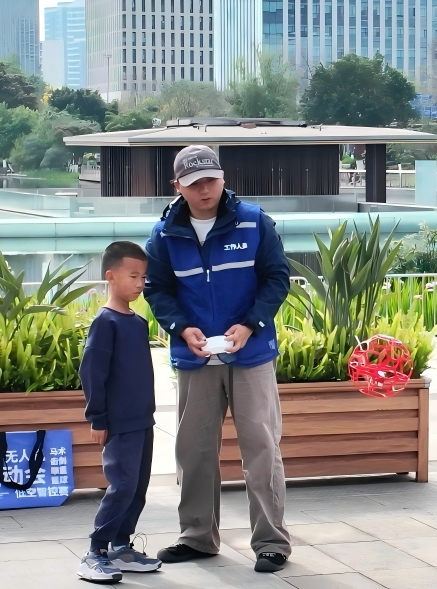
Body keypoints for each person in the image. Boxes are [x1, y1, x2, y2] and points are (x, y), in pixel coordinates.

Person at [144, 145, 292, 573]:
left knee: (261, 449)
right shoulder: (164, 234)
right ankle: (196, 537)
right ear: (178, 186)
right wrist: (180, 327)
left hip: (251, 354)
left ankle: (271, 542)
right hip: (195, 359)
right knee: (193, 451)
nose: (204, 189)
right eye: (194, 184)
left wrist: (251, 325)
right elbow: (157, 289)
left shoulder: (255, 222)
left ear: (223, 178)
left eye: (210, 180)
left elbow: (277, 278)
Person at [77, 241, 162, 583]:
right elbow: (92, 372)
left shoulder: (138, 323)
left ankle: (121, 546)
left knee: (138, 487)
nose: (140, 283)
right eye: (133, 276)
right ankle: (95, 551)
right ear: (111, 276)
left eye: (143, 277)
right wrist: (97, 418)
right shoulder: (105, 322)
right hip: (119, 423)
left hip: (143, 421)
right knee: (122, 485)